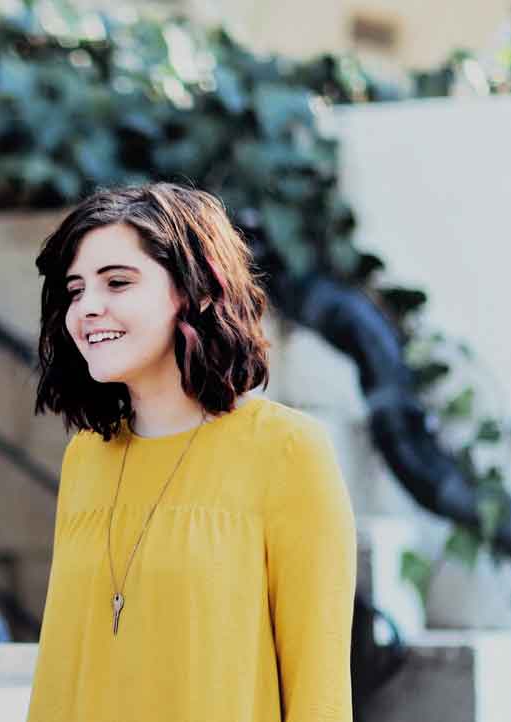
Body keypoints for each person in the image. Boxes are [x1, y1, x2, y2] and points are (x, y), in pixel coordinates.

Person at [27, 183, 356, 722]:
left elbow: (319, 693)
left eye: (117, 282)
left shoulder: (287, 451)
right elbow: (61, 671)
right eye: (76, 289)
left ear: (197, 290)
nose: (88, 308)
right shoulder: (86, 456)